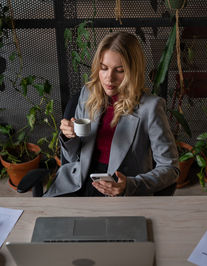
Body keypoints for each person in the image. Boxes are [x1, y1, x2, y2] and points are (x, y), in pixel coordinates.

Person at [44, 31, 179, 197]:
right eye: (104, 68)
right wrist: (69, 136)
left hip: (120, 189)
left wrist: (129, 185)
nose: (109, 78)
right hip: (79, 181)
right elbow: (72, 158)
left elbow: (170, 168)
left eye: (120, 70)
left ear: (133, 71)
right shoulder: (88, 93)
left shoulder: (150, 108)